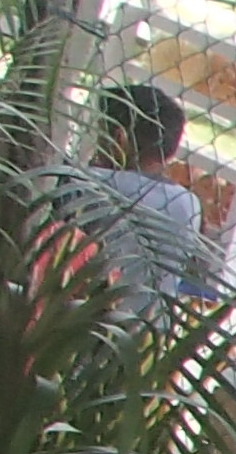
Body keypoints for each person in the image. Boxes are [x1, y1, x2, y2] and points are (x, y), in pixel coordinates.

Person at [45, 78, 214, 309]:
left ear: (119, 139)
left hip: (79, 319)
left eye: (99, 135)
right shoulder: (189, 204)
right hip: (148, 326)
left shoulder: (86, 183)